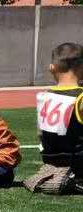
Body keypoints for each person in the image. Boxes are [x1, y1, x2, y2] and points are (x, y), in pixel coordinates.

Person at [25, 42, 83, 194]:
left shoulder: (45, 97)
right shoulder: (80, 97)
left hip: (52, 162)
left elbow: (41, 135)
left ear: (52, 68)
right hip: (77, 164)